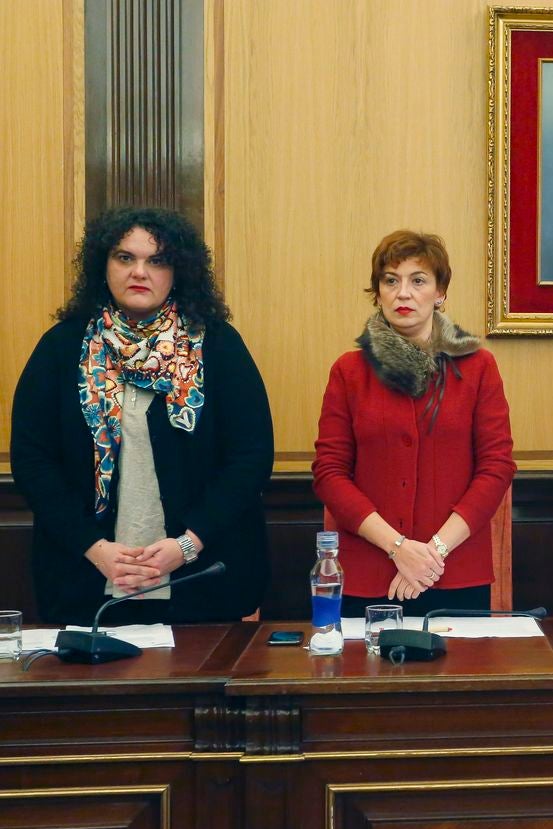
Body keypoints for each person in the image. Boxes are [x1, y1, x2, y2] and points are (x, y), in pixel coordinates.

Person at [10, 206, 273, 625]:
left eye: (157, 260)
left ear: (178, 271)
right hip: (88, 577)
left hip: (201, 577)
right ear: (103, 265)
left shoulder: (217, 345)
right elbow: (32, 459)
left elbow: (251, 457)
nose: (140, 272)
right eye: (125, 257)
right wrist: (95, 549)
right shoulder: (62, 347)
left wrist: (187, 545)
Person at [313, 230, 515, 617]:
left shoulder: (477, 367)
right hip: (368, 575)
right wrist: (399, 548)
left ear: (440, 293)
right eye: (391, 281)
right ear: (378, 293)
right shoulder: (349, 371)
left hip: (456, 573)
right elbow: (330, 473)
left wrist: (432, 554)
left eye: (418, 280)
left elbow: (497, 467)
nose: (403, 293)